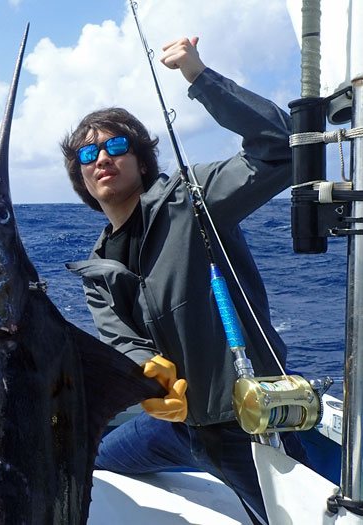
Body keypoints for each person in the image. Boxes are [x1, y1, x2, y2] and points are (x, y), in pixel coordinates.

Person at [62, 37, 309, 524]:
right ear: (80, 177)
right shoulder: (95, 267)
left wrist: (200, 77)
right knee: (95, 462)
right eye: (87, 155)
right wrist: (146, 373)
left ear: (141, 159)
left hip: (245, 425)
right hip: (173, 428)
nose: (102, 159)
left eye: (115, 146)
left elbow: (282, 149)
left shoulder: (194, 198)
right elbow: (120, 338)